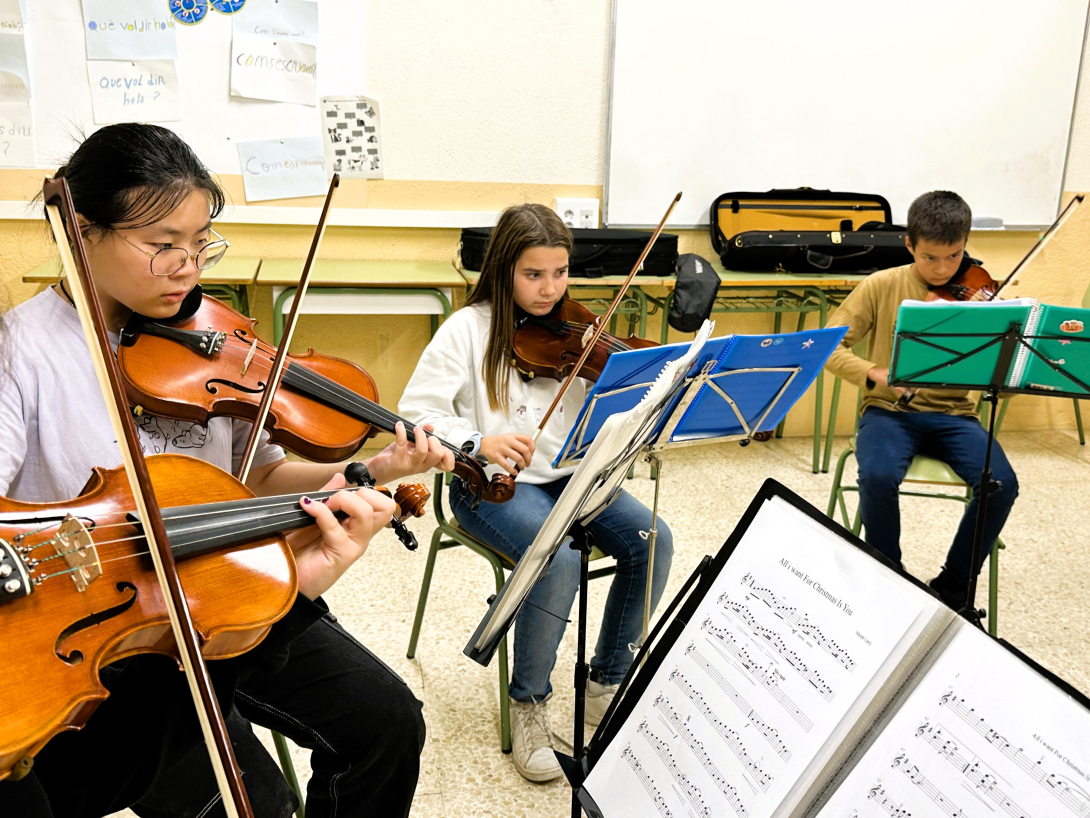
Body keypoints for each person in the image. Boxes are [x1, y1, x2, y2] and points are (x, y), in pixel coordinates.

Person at [0, 123, 454, 818]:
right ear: (81, 232)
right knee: (257, 805)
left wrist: (371, 469)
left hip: (230, 578)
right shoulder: (22, 350)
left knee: (388, 723)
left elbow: (259, 480)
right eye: (163, 245)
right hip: (112, 623)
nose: (188, 268)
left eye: (200, 242)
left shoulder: (210, 341)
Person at [399, 203, 673, 782]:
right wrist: (479, 440)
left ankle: (605, 683)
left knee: (652, 539)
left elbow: (605, 415)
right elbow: (416, 413)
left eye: (560, 272)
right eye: (533, 275)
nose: (550, 289)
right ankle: (529, 703)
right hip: (490, 486)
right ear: (503, 270)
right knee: (558, 558)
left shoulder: (580, 330)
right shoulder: (466, 330)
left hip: (572, 476)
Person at [824, 190, 1019, 607]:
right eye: (930, 257)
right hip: (889, 413)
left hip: (956, 416)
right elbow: (828, 347)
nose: (943, 269)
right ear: (909, 244)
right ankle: (888, 577)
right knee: (878, 477)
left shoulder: (979, 294)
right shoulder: (881, 285)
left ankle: (954, 585)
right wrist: (874, 372)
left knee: (1001, 485)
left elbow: (1000, 371)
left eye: (954, 256)